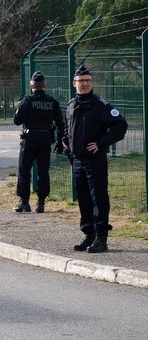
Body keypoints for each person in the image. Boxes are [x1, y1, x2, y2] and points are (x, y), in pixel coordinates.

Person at [62, 65, 128, 253]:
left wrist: (101, 143)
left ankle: (101, 238)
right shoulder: (72, 104)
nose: (84, 84)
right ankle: (88, 234)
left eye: (87, 81)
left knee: (98, 197)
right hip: (77, 160)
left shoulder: (100, 105)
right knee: (83, 198)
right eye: (81, 81)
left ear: (91, 83)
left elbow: (120, 125)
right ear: (74, 84)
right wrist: (66, 139)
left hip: (94, 160)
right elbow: (67, 124)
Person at [13, 71, 65, 213]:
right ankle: (41, 202)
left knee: (24, 170)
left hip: (29, 138)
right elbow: (61, 124)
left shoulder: (27, 101)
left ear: (32, 86)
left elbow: (17, 120)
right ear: (44, 85)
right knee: (43, 171)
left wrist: (19, 108)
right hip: (45, 139)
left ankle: (24, 203)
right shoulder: (52, 102)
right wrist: (61, 141)